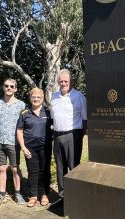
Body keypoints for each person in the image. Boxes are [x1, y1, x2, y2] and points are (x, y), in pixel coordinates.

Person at [50, 69, 87, 200]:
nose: (63, 83)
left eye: (66, 81)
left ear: (71, 81)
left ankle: (76, 197)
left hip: (73, 135)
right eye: (61, 81)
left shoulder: (79, 96)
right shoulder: (54, 97)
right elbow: (53, 117)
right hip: (57, 135)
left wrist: (79, 136)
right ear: (58, 82)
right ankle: (62, 197)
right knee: (60, 168)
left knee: (74, 167)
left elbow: (85, 119)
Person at [0, 78, 27, 205]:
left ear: (15, 89)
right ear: (3, 87)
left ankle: (18, 193)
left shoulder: (21, 105)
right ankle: (1, 194)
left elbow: (24, 124)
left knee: (15, 168)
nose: (9, 88)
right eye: (6, 85)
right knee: (1, 168)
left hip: (13, 142)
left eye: (12, 86)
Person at [17, 88, 52, 207]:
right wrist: (23, 147)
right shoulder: (24, 113)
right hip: (30, 148)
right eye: (34, 97)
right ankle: (33, 196)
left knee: (45, 171)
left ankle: (44, 195)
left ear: (43, 99)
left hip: (45, 147)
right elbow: (19, 131)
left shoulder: (48, 112)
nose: (36, 99)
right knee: (33, 172)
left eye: (39, 97)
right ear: (30, 98)